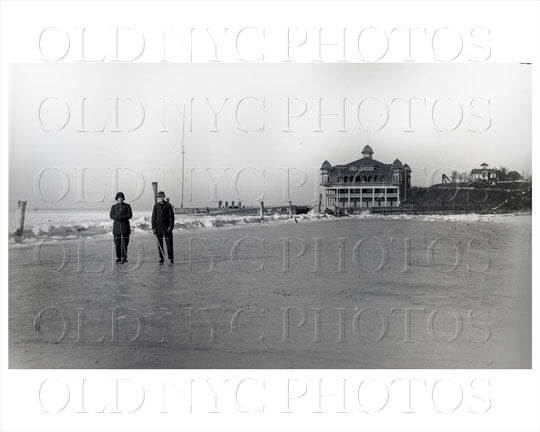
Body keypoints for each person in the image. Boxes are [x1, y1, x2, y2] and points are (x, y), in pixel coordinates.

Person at [151, 191, 175, 265]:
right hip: (158, 228)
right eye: (158, 197)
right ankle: (161, 258)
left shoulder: (168, 205)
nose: (160, 198)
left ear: (164, 197)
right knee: (160, 244)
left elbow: (171, 217)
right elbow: (153, 218)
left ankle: (171, 258)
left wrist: (170, 226)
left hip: (167, 228)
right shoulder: (156, 206)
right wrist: (153, 228)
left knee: (169, 244)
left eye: (161, 197)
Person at [109, 192, 133, 263]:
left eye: (121, 198)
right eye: (119, 198)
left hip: (125, 228)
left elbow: (130, 215)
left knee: (125, 243)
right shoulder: (114, 207)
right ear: (117, 199)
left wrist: (123, 217)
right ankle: (118, 257)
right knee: (117, 244)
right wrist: (117, 217)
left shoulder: (127, 206)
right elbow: (111, 215)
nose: (120, 199)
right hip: (116, 229)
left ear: (123, 198)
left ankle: (124, 257)